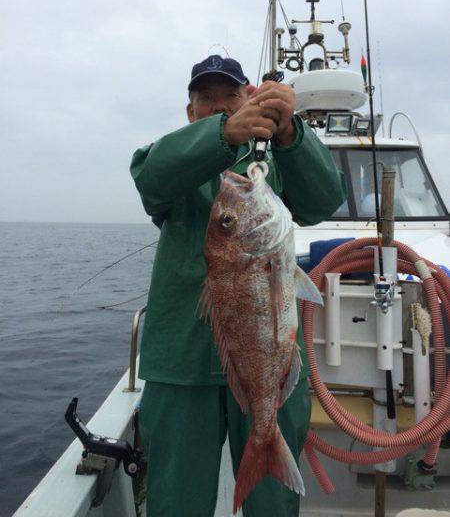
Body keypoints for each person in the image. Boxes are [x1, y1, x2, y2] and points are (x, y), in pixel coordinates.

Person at [130, 55, 347, 517]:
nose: (219, 106)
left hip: (270, 361)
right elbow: (150, 178)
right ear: (190, 113)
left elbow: (325, 200)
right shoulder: (175, 159)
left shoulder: (270, 163)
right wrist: (222, 136)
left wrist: (291, 134)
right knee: (175, 503)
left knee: (273, 506)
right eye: (205, 99)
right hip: (181, 366)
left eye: (230, 95)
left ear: (249, 95)